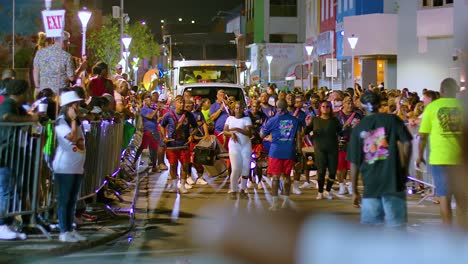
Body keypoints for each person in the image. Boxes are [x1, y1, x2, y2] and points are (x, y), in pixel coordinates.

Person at [348, 91, 412, 227]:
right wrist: (404, 168)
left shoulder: (358, 128)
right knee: (397, 230)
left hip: (371, 184)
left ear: (362, 105)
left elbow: (354, 163)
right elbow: (407, 143)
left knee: (371, 233)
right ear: (379, 103)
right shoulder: (392, 120)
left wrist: (354, 190)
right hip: (394, 181)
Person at [417, 78, 466, 228]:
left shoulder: (432, 107)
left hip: (439, 159)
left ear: (441, 91)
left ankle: (448, 235)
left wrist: (419, 156)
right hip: (461, 160)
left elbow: (423, 136)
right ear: (455, 91)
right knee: (461, 199)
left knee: (444, 197)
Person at [0, 80, 39, 240]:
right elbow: (6, 117)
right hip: (5, 155)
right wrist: (30, 120)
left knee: (10, 189)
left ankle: (9, 223)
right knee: (6, 190)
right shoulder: (8, 104)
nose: (28, 95)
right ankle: (3, 224)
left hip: (11, 154)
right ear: (21, 92)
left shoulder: (15, 106)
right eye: (27, 92)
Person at [52, 90, 87, 242]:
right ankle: (64, 231)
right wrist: (73, 121)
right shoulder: (61, 122)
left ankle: (70, 229)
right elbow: (72, 138)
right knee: (65, 199)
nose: (78, 107)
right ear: (68, 107)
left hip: (76, 167)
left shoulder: (77, 121)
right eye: (75, 105)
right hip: (64, 167)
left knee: (72, 200)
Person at [261, 99, 301, 210]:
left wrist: (264, 131)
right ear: (286, 107)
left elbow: (261, 135)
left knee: (275, 178)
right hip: (289, 151)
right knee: (287, 177)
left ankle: (275, 203)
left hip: (275, 152)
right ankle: (286, 201)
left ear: (277, 107)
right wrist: (299, 152)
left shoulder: (272, 120)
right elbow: (298, 138)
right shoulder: (295, 120)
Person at [160, 95, 199, 194]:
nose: (182, 104)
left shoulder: (188, 115)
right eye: (180, 102)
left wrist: (191, 135)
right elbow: (161, 125)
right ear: (175, 103)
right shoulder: (169, 115)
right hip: (172, 145)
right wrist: (164, 137)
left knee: (185, 165)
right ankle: (173, 184)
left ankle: (182, 185)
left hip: (184, 145)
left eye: (183, 102)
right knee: (173, 165)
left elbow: (195, 127)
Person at [306, 101, 342, 200]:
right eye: (323, 106)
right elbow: (306, 131)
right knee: (321, 172)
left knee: (332, 172)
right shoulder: (315, 120)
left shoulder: (334, 120)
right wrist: (307, 127)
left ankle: (328, 191)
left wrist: (348, 127)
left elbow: (341, 132)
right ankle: (320, 191)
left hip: (333, 149)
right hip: (320, 149)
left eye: (327, 107)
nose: (325, 108)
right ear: (320, 109)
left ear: (330, 108)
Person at [223, 101, 253, 199]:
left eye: (240, 108)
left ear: (243, 109)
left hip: (246, 145)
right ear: (233, 109)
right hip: (234, 145)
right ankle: (233, 189)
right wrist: (231, 133)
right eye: (236, 108)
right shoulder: (229, 119)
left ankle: (243, 189)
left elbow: (249, 132)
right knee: (236, 168)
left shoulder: (247, 119)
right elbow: (225, 131)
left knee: (245, 168)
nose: (238, 110)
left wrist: (237, 129)